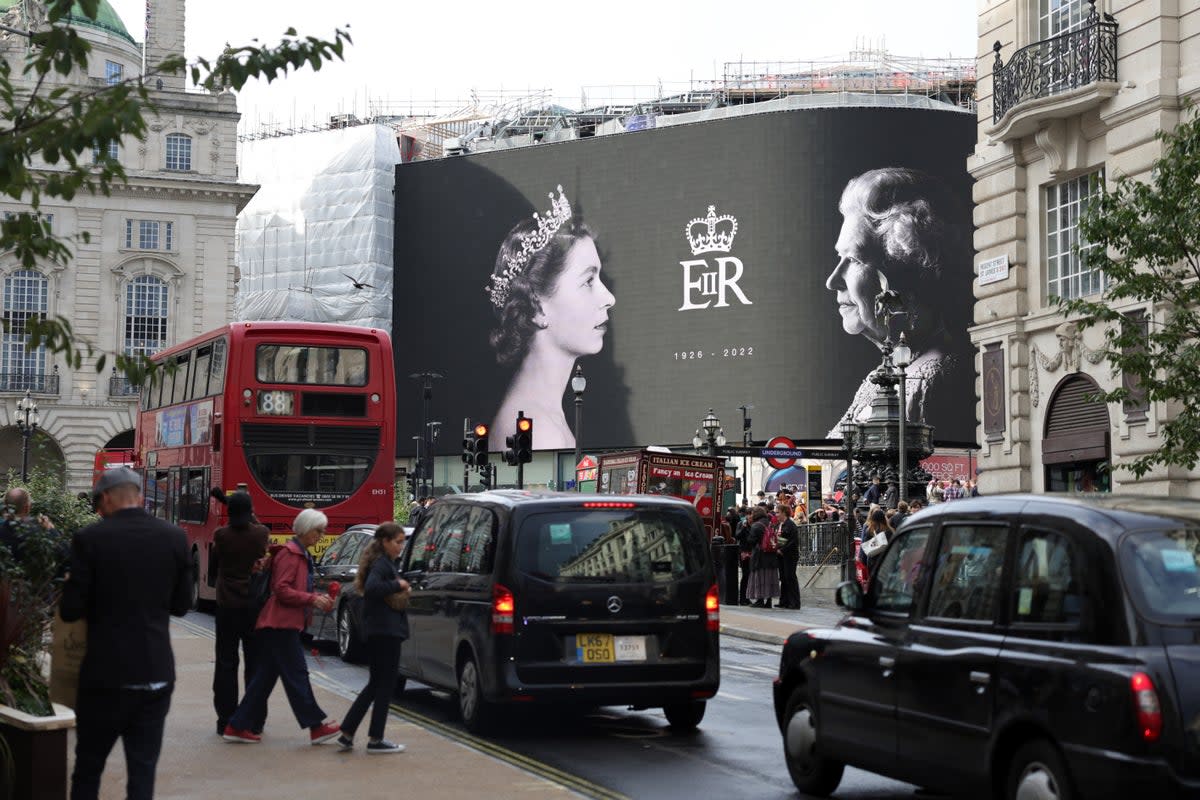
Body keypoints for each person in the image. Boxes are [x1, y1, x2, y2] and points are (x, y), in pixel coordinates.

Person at [60, 467, 191, 800]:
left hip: (105, 676)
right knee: (143, 772)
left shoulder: (90, 539)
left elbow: (70, 610)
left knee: (88, 768)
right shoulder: (174, 537)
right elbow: (181, 605)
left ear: (105, 499)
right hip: (155, 672)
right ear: (139, 496)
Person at [826, 167, 970, 437]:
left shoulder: (931, 378)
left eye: (855, 260)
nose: (833, 280)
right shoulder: (884, 375)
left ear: (904, 277)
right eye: (839, 258)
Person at [487, 184, 615, 450]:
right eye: (589, 280)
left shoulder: (543, 414)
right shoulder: (540, 431)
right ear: (537, 308)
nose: (609, 298)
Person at [222, 508, 340, 745]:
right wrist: (312, 599)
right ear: (306, 530)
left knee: (264, 679)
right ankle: (315, 727)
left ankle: (236, 725)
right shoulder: (291, 554)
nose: (321, 535)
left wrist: (316, 596)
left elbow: (292, 589)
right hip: (280, 624)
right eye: (318, 530)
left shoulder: (298, 553)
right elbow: (282, 590)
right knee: (297, 675)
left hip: (281, 623)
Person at [336, 523, 410, 754]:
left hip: (380, 631)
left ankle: (348, 732)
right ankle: (376, 739)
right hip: (385, 632)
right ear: (385, 542)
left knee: (375, 684)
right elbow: (373, 587)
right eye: (398, 541)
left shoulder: (382, 562)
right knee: (385, 685)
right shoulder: (382, 564)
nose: (401, 546)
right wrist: (398, 584)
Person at [211, 491, 270, 736]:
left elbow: (215, 568)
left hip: (227, 605)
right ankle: (254, 719)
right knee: (255, 663)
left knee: (226, 663)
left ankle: (225, 719)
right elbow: (255, 523)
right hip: (254, 605)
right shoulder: (261, 533)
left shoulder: (221, 535)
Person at [746, 507, 780, 608]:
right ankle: (768, 601)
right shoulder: (770, 523)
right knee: (769, 578)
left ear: (756, 514)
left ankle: (760, 600)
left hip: (760, 556)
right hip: (771, 556)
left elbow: (751, 541)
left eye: (752, 513)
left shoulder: (756, 526)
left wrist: (748, 528)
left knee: (759, 577)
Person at [776, 503, 802, 610]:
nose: (776, 514)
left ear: (783, 513)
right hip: (781, 555)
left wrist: (782, 550)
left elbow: (793, 541)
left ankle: (794, 602)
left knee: (790, 577)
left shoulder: (791, 525)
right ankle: (784, 601)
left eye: (778, 512)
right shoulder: (780, 525)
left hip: (789, 556)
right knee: (783, 578)